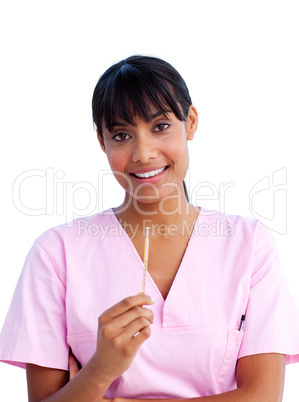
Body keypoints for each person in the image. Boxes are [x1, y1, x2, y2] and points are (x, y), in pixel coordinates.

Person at [0, 55, 299, 401]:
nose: (143, 153)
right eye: (122, 134)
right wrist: (101, 371)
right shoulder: (55, 254)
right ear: (102, 142)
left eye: (160, 126)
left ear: (190, 122)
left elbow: (263, 396)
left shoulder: (249, 246)